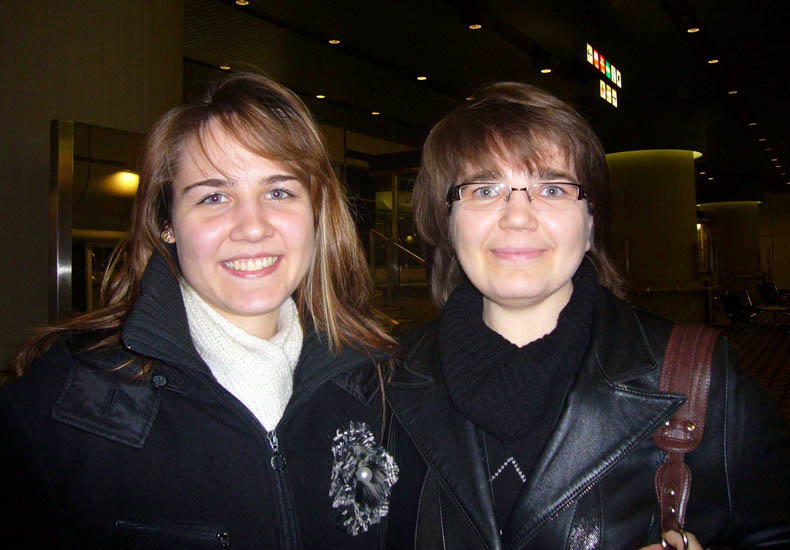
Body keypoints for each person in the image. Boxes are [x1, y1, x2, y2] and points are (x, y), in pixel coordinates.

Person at [1, 73, 401, 549]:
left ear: (316, 212)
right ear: (166, 222)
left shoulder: (381, 386)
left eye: (278, 192)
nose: (252, 227)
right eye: (214, 196)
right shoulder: (60, 411)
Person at [384, 82, 790, 549]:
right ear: (447, 221)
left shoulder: (698, 378)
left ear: (591, 222)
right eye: (486, 189)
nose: (518, 216)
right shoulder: (384, 379)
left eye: (553, 188)